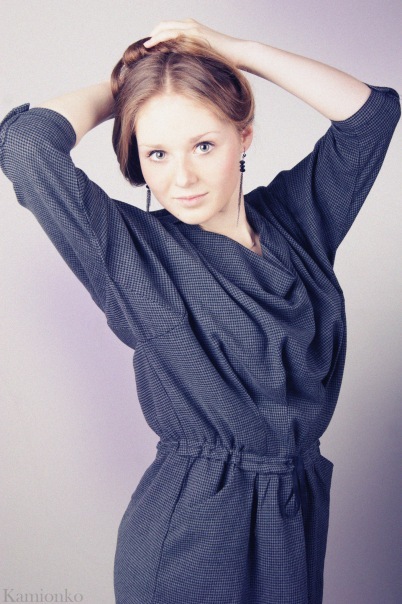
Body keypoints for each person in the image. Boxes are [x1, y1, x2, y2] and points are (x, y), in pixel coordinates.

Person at [0, 18, 399, 604]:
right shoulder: (132, 254)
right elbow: (26, 146)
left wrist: (237, 51)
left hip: (294, 514)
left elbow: (372, 116)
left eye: (203, 145)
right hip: (197, 531)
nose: (181, 177)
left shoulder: (298, 222)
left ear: (244, 136)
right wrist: (130, 86)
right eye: (157, 153)